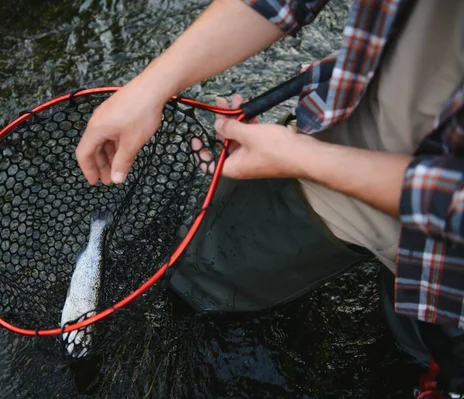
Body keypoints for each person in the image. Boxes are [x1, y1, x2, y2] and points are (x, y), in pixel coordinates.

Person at [75, 0, 464, 395]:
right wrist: (151, 85)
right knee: (200, 278)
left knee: (421, 352)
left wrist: (298, 158)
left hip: (453, 262)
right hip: (367, 126)